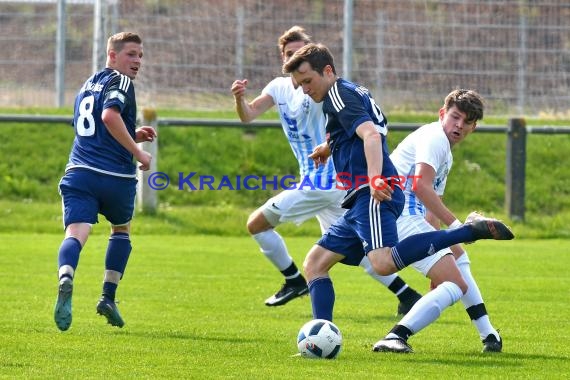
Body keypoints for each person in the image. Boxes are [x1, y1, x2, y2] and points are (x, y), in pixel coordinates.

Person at [282, 43, 514, 352]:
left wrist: (375, 176)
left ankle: (469, 234)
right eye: (299, 85)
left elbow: (372, 135)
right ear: (443, 114)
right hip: (362, 198)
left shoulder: (338, 94)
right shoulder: (352, 93)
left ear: (327, 71)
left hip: (373, 191)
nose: (304, 90)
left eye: (307, 81)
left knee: (382, 264)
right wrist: (330, 146)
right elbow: (374, 124)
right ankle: (319, 337)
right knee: (315, 263)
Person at [230, 26, 422, 313]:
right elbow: (249, 115)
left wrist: (373, 176)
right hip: (332, 181)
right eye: (289, 54)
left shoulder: (326, 90)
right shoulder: (282, 87)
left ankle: (294, 281)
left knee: (257, 223)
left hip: (328, 180)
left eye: (301, 52)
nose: (296, 58)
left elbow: (363, 127)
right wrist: (239, 99)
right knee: (351, 250)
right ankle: (406, 294)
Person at [373, 89, 503, 353]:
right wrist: (459, 228)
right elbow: (420, 187)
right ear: (442, 114)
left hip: (405, 215)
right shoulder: (435, 138)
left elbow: (431, 210)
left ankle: (489, 335)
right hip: (398, 215)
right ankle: (396, 336)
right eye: (455, 117)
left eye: (467, 122)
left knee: (458, 257)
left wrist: (441, 250)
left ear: (474, 127)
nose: (459, 125)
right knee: (456, 285)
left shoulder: (446, 151)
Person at [53, 32, 157, 331]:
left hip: (79, 172)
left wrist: (132, 133)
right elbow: (110, 116)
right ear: (112, 55)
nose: (137, 61)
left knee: (75, 233)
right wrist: (138, 151)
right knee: (121, 229)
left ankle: (66, 274)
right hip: (115, 176)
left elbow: (92, 128)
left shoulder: (86, 85)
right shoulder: (121, 81)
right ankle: (107, 297)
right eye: (131, 54)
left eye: (140, 55)